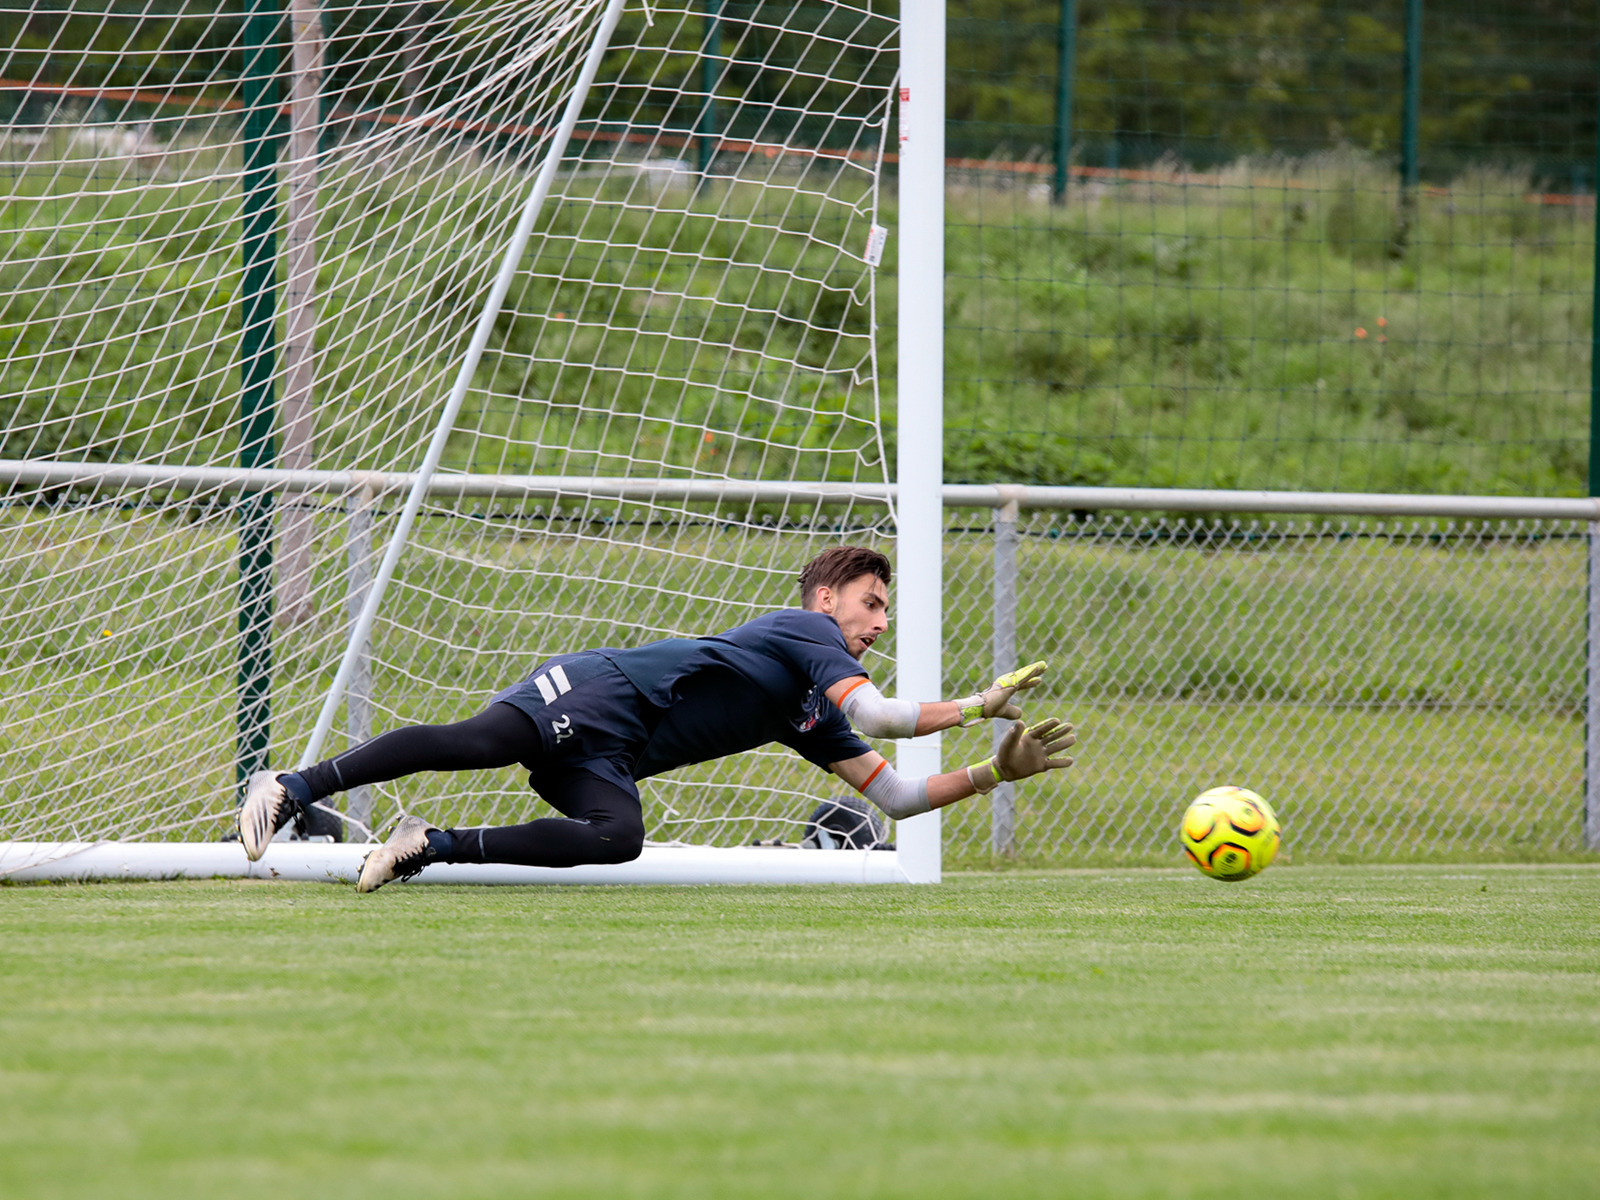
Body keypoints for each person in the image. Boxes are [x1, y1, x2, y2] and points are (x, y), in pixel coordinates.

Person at [239, 545, 1076, 891]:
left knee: (618, 834)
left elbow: (892, 798)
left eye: (885, 610)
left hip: (617, 752)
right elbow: (891, 717)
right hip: (600, 693)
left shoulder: (813, 708)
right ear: (828, 600)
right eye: (872, 603)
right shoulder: (809, 631)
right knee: (476, 743)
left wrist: (998, 772)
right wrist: (979, 706)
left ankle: (431, 845)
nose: (880, 621)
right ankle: (293, 785)